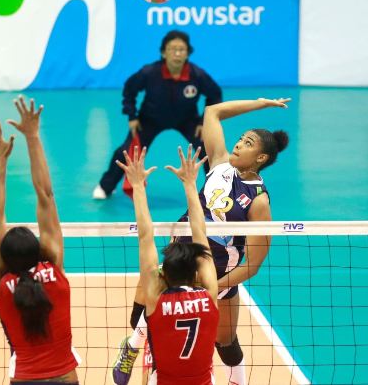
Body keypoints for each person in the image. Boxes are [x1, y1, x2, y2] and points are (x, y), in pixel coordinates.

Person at [112, 98, 290, 385]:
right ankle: (133, 347)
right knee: (142, 317)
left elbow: (254, 265)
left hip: (218, 275)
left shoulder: (258, 201)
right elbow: (213, 112)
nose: (239, 144)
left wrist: (212, 288)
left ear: (261, 158)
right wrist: (261, 104)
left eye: (248, 143)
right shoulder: (219, 165)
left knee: (226, 344)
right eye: (241, 138)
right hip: (180, 261)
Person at [0, 96, 80, 384]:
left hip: (24, 379)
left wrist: (1, 162)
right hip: (65, 378)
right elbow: (46, 196)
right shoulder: (54, 271)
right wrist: (33, 137)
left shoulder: (1, 281)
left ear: (4, 259)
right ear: (39, 251)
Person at [115, 144, 219, 384]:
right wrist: (191, 184)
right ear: (196, 273)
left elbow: (145, 236)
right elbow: (200, 234)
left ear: (164, 276)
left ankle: (133, 345)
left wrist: (138, 187)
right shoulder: (209, 295)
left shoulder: (155, 299)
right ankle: (132, 345)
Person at [93, 30, 222, 199]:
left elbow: (215, 94)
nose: (177, 53)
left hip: (187, 119)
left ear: (188, 53)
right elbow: (129, 90)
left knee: (207, 148)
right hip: (150, 119)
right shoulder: (149, 73)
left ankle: (217, 189)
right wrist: (132, 116)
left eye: (181, 49)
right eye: (172, 49)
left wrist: (202, 122)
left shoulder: (197, 75)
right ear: (163, 52)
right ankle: (106, 186)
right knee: (126, 151)